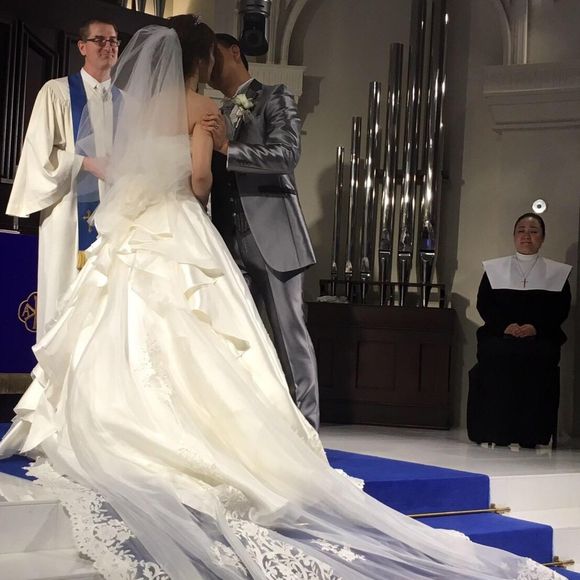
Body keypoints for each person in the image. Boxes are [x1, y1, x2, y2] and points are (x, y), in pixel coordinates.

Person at [0, 20, 563, 579]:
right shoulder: (205, 107)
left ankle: (288, 429)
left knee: (243, 333)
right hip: (202, 228)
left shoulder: (228, 101)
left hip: (235, 230)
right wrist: (205, 157)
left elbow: (282, 153)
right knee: (211, 336)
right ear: (202, 60)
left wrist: (225, 149)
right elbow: (201, 181)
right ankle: (229, 431)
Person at [201, 34, 320, 430]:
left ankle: (306, 431)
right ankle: (254, 431)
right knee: (240, 339)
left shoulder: (274, 96)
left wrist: (228, 149)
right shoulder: (213, 112)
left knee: (289, 335)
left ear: (234, 52)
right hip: (226, 239)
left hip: (274, 235)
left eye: (214, 54)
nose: (209, 64)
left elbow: (287, 154)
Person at [6, 19, 120, 339]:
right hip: (67, 213)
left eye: (114, 41)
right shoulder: (56, 93)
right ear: (82, 47)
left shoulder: (126, 102)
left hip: (116, 217)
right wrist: (85, 163)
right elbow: (38, 156)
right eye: (100, 40)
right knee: (63, 293)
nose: (108, 46)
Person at [467, 213, 572, 448]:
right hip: (499, 335)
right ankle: (495, 431)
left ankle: (531, 435)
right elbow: (485, 304)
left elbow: (560, 309)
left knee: (537, 358)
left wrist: (536, 328)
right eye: (521, 231)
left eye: (533, 231)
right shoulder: (494, 269)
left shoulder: (558, 273)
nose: (527, 236)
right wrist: (505, 326)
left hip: (540, 338)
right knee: (496, 355)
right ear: (514, 236)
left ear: (542, 238)